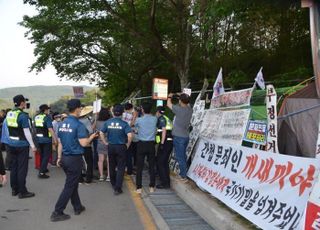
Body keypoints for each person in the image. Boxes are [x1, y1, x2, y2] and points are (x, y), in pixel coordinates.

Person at [50, 99, 98, 222]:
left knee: (72, 184)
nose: (81, 110)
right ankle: (57, 211)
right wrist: (92, 136)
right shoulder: (78, 125)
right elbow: (84, 143)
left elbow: (60, 143)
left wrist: (59, 158)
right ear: (77, 109)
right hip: (74, 159)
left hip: (65, 158)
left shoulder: (61, 124)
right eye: (80, 108)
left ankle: (78, 207)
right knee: (70, 185)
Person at [6, 94, 36, 198]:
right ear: (22, 103)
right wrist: (32, 145)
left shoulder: (9, 113)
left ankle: (14, 190)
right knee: (22, 168)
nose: (25, 104)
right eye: (24, 102)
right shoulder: (23, 115)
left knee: (14, 167)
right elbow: (27, 132)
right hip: (22, 145)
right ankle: (22, 192)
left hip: (11, 144)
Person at [100, 104, 132, 195]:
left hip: (111, 146)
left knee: (112, 165)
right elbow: (130, 136)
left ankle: (113, 183)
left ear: (113, 113)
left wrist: (105, 142)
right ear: (122, 113)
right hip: (121, 147)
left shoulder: (108, 122)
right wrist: (127, 145)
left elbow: (101, 132)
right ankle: (118, 187)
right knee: (121, 167)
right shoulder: (124, 124)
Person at [167, 93, 193, 182]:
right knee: (183, 156)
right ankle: (184, 172)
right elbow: (186, 102)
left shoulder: (178, 110)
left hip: (179, 137)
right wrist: (181, 96)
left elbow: (168, 104)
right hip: (185, 136)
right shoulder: (190, 109)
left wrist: (170, 96)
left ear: (180, 101)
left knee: (180, 157)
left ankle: (183, 176)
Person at [134, 102, 157, 194]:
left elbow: (132, 125)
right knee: (152, 166)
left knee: (139, 167)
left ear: (142, 110)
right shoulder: (155, 119)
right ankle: (152, 186)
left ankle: (139, 187)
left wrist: (135, 115)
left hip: (141, 144)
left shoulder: (139, 120)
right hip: (151, 144)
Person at [34, 104, 58, 178]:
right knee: (46, 156)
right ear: (45, 110)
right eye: (48, 109)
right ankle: (41, 173)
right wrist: (55, 139)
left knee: (42, 155)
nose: (49, 111)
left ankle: (43, 168)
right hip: (46, 139)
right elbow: (50, 129)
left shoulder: (36, 117)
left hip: (38, 139)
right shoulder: (47, 117)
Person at [155, 106, 173, 189]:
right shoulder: (166, 117)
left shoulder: (161, 119)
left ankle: (165, 183)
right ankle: (166, 181)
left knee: (160, 163)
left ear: (158, 112)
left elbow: (164, 130)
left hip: (165, 142)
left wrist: (161, 143)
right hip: (169, 142)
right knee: (164, 163)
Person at [78, 106, 94, 184]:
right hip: (86, 142)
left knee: (79, 162)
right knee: (89, 162)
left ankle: (80, 179)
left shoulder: (75, 121)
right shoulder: (86, 121)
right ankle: (88, 179)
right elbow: (90, 131)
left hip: (77, 143)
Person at [96, 107, 111, 181]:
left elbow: (95, 130)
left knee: (100, 160)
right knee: (109, 160)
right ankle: (108, 176)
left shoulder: (97, 122)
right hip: (109, 142)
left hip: (100, 142)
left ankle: (101, 176)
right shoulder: (109, 121)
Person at [122, 102, 136, 175]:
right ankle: (129, 170)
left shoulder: (122, 115)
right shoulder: (131, 116)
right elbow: (131, 125)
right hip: (128, 135)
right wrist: (134, 117)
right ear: (130, 108)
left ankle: (122, 168)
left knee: (122, 152)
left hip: (121, 136)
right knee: (129, 153)